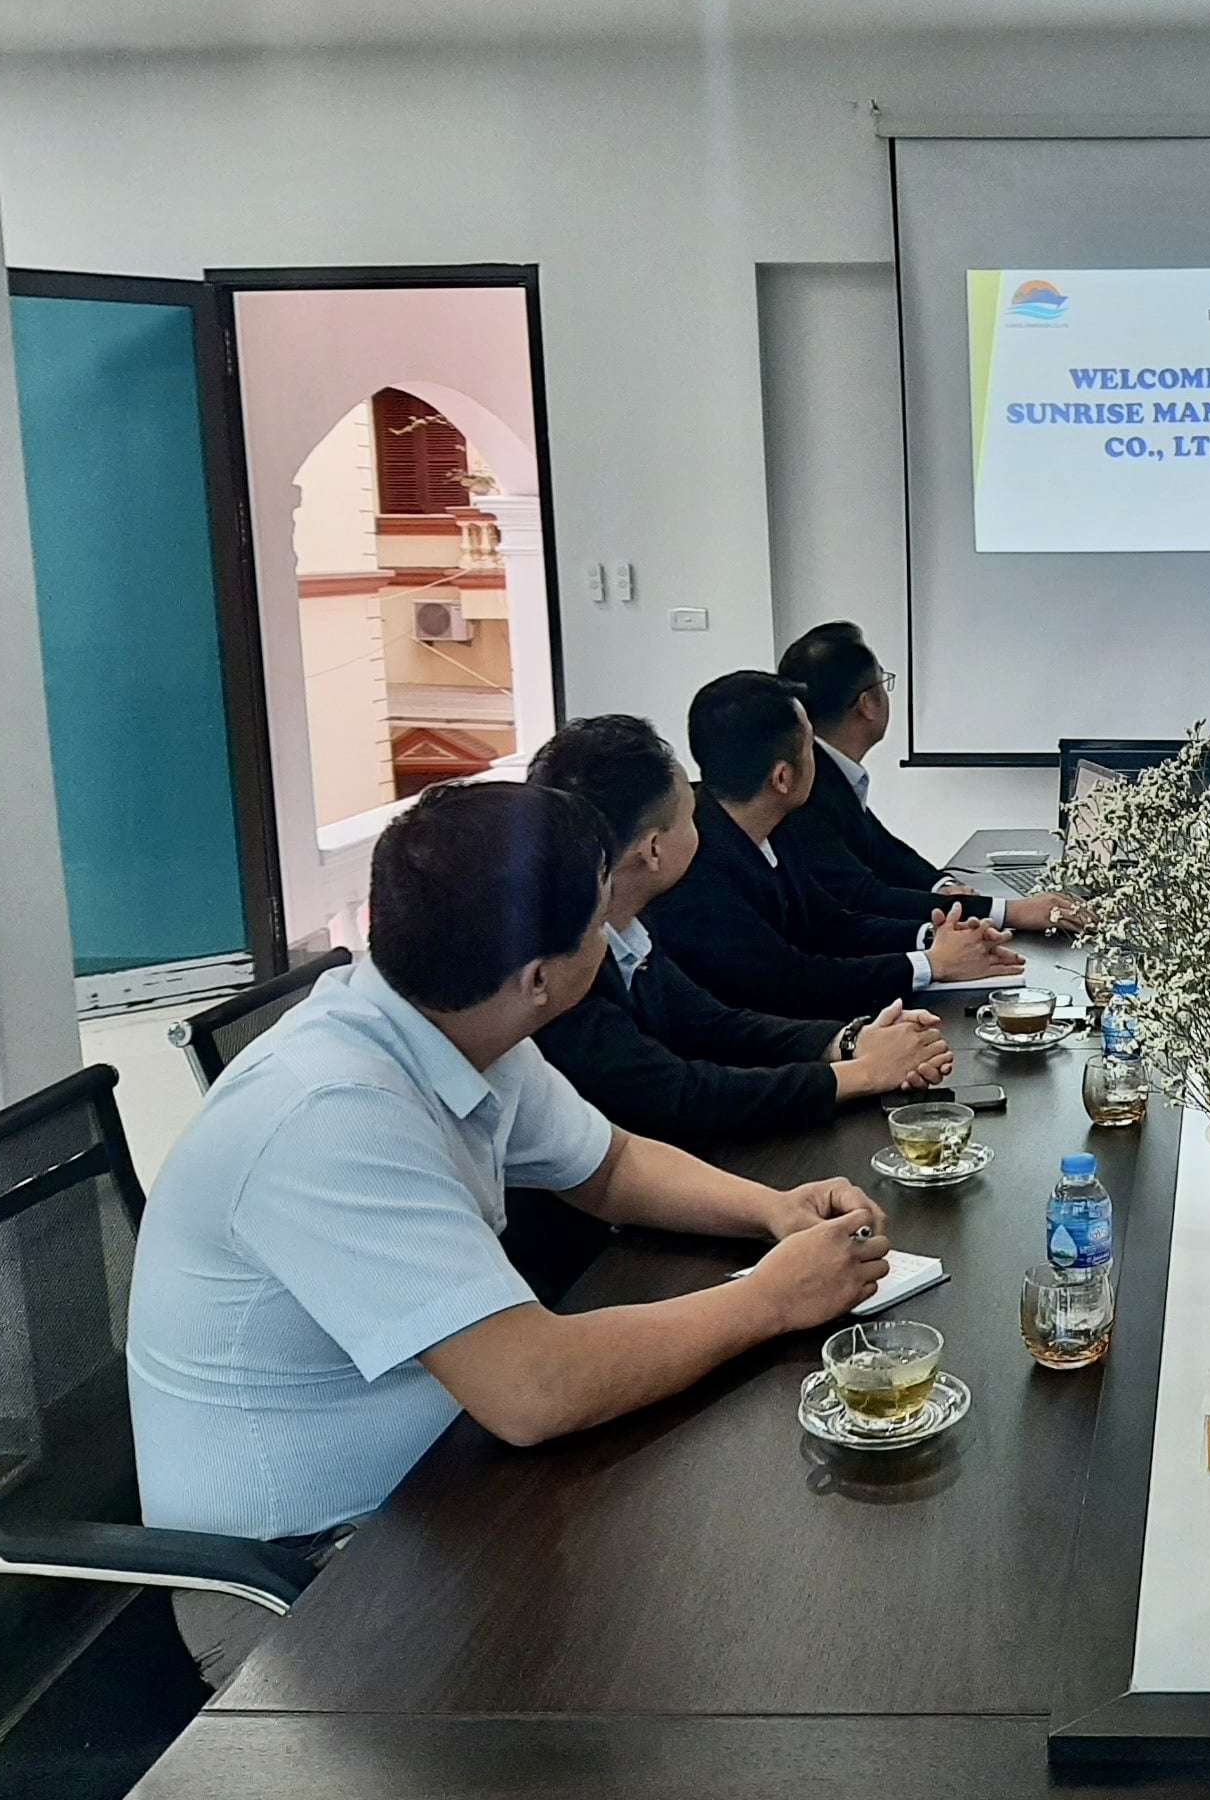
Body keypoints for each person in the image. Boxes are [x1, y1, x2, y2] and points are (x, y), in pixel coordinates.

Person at [128, 780, 891, 1682]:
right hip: (304, 1582)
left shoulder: (450, 1022)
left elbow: (609, 1166)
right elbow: (532, 1388)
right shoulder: (331, 1113)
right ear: (539, 978)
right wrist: (770, 1299)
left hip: (448, 1486)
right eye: (598, 923)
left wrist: (769, 1209)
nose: (611, 938)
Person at [526, 714, 954, 1146]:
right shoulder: (561, 965)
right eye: (691, 816)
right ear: (653, 850)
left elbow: (714, 1024)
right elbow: (679, 1096)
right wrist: (862, 1073)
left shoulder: (628, 922)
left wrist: (849, 1041)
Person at [642, 672, 1026, 1018]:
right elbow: (791, 980)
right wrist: (931, 964)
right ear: (782, 778)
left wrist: (935, 938)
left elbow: (832, 924)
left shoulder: (773, 825)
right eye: (811, 746)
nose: (820, 760)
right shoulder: (695, 867)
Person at [774, 621, 1085, 933]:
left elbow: (884, 851)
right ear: (868, 704)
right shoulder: (805, 788)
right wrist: (1010, 911)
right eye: (882, 681)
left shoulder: (828, 770)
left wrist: (942, 886)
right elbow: (863, 897)